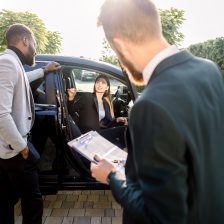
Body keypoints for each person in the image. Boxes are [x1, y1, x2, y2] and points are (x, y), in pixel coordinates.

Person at [90, 0, 224, 224]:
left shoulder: (150, 106)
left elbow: (159, 216)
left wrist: (113, 176)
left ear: (121, 45)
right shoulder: (209, 70)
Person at [0, 23, 60, 224]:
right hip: (14, 151)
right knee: (33, 203)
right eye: (34, 42)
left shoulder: (12, 63)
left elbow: (22, 79)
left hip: (10, 149)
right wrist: (23, 148)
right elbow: (1, 114)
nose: (35, 47)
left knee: (7, 200)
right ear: (25, 40)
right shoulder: (7, 62)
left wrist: (44, 71)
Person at [67, 74, 127, 147]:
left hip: (98, 133)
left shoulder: (105, 102)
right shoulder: (87, 97)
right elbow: (71, 111)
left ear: (107, 88)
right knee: (123, 130)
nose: (100, 84)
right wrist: (71, 98)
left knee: (124, 127)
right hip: (88, 136)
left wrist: (117, 120)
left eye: (103, 82)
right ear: (95, 85)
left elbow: (107, 123)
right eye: (97, 82)